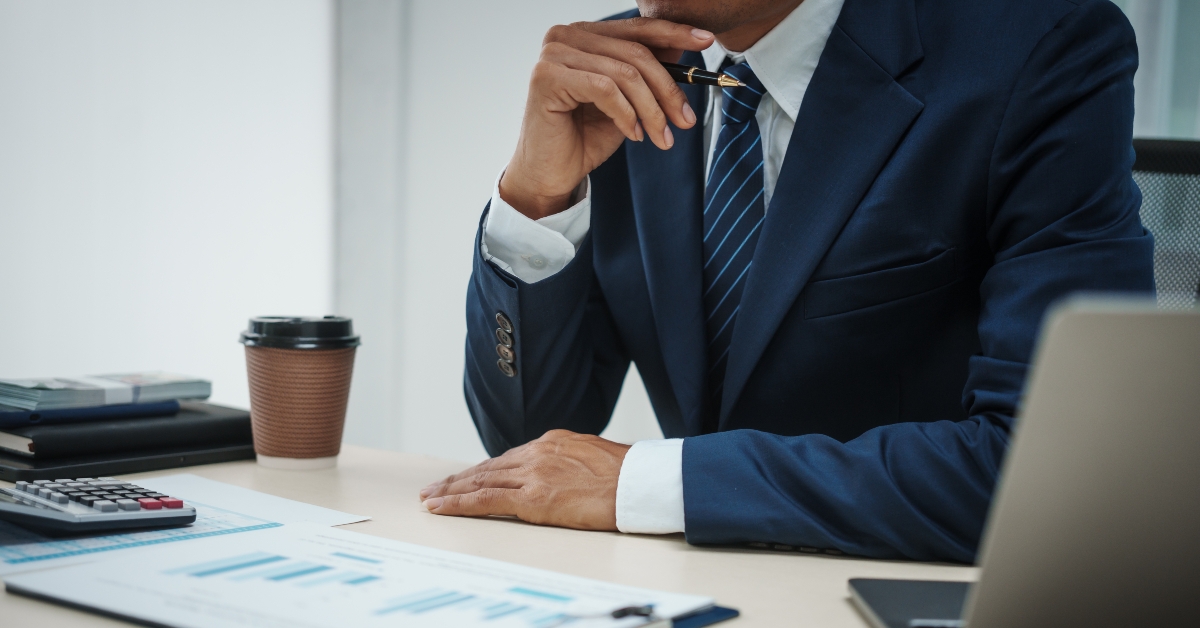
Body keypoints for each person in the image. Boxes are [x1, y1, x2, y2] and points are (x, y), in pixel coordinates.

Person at [420, 0, 1154, 563]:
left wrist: (652, 484)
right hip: (698, 588)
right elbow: (527, 443)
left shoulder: (1037, 50)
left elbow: (1053, 475)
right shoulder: (626, 69)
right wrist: (535, 199)